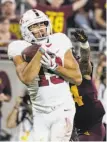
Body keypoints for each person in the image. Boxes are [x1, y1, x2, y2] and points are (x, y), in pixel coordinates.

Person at [8, 9, 82, 141]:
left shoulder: (60, 39)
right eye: (35, 26)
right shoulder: (17, 47)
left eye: (42, 24)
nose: (41, 28)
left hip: (62, 108)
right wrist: (41, 50)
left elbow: (77, 78)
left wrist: (55, 66)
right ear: (25, 29)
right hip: (39, 112)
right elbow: (27, 78)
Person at [70, 29, 106, 141]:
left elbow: (85, 60)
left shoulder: (83, 71)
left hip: (92, 121)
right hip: (78, 123)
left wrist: (84, 44)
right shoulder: (63, 74)